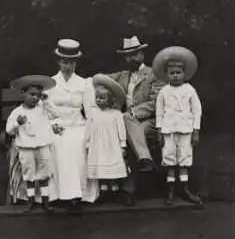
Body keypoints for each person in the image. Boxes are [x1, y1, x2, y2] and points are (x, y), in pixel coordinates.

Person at [107, 35, 165, 206]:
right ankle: (144, 160)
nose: (130, 58)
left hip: (151, 121)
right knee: (116, 129)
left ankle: (127, 189)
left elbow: (157, 102)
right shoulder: (123, 75)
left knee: (130, 127)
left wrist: (133, 112)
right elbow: (99, 79)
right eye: (127, 55)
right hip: (127, 121)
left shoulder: (155, 74)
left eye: (134, 54)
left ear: (142, 54)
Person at [44, 39, 99, 210]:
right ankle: (58, 194)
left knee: (79, 142)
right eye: (64, 61)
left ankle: (79, 194)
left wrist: (91, 130)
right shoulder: (50, 83)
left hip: (77, 125)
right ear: (58, 62)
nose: (67, 65)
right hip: (56, 125)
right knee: (58, 143)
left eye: (71, 61)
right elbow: (43, 110)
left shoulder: (84, 83)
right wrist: (51, 124)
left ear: (76, 62)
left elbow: (90, 111)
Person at [152, 46, 203, 206]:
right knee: (169, 158)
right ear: (167, 74)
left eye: (178, 73)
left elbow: (197, 111)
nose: (175, 76)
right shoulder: (164, 92)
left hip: (186, 129)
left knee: (184, 158)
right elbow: (159, 112)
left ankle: (185, 189)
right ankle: (171, 190)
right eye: (172, 73)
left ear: (184, 74)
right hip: (168, 130)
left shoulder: (190, 90)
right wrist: (159, 131)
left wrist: (195, 131)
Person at [5, 75, 63, 213]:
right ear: (23, 94)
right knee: (29, 173)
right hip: (26, 148)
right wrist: (17, 123)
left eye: (38, 95)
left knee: (44, 172)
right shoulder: (17, 112)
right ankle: (30, 201)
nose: (35, 98)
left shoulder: (42, 109)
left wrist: (46, 102)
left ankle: (45, 200)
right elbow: (9, 131)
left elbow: (56, 114)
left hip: (42, 145)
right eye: (32, 94)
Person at [85, 74, 128, 203]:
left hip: (112, 146)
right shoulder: (93, 113)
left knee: (113, 167)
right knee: (101, 167)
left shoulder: (116, 114)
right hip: (98, 146)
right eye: (97, 98)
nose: (99, 100)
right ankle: (104, 191)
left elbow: (121, 130)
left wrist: (122, 144)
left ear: (110, 100)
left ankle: (114, 190)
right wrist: (87, 143)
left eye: (102, 98)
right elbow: (89, 129)